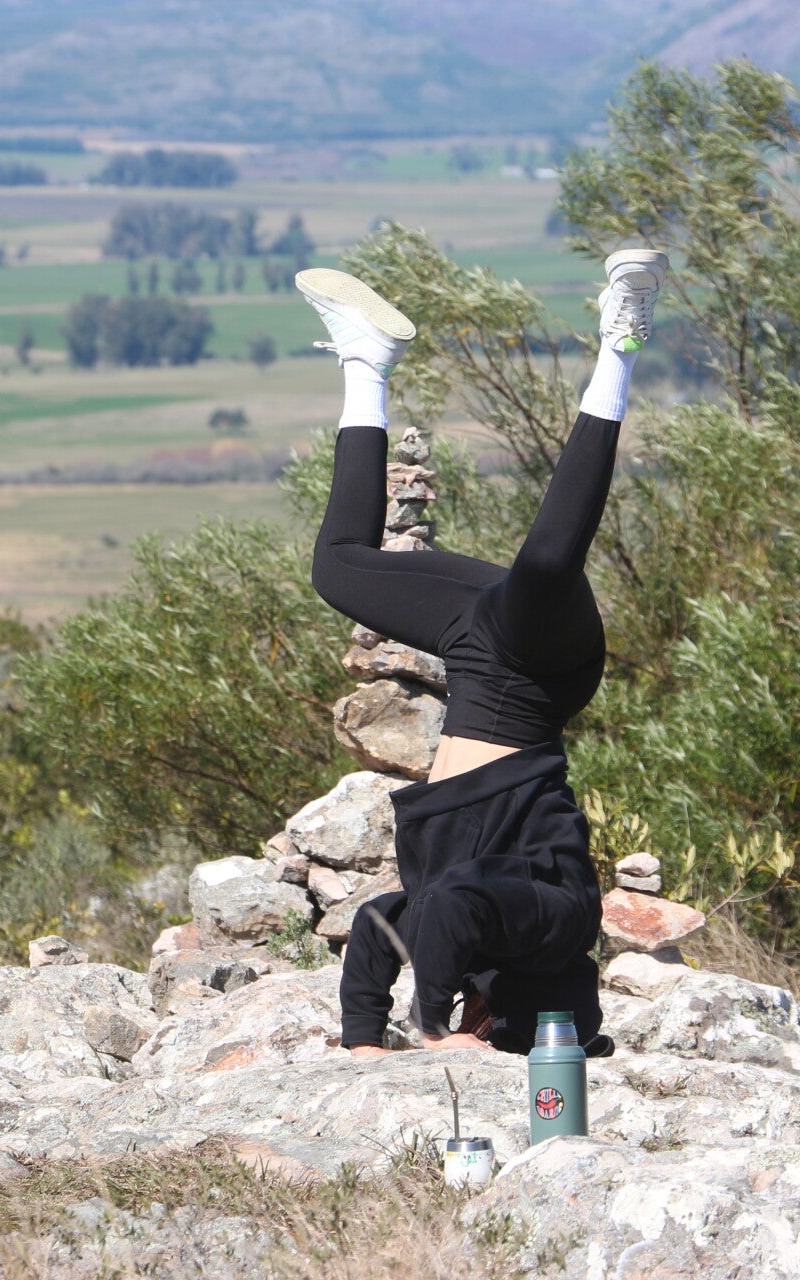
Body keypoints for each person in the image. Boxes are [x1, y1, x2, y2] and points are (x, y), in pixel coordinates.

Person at [297, 248, 668, 1058]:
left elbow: (378, 924)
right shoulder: (555, 926)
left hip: (477, 653)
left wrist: (364, 1040)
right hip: (532, 674)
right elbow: (462, 901)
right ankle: (622, 341)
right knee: (549, 562)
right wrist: (433, 1028)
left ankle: (366, 360)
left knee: (338, 567)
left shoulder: (477, 940)